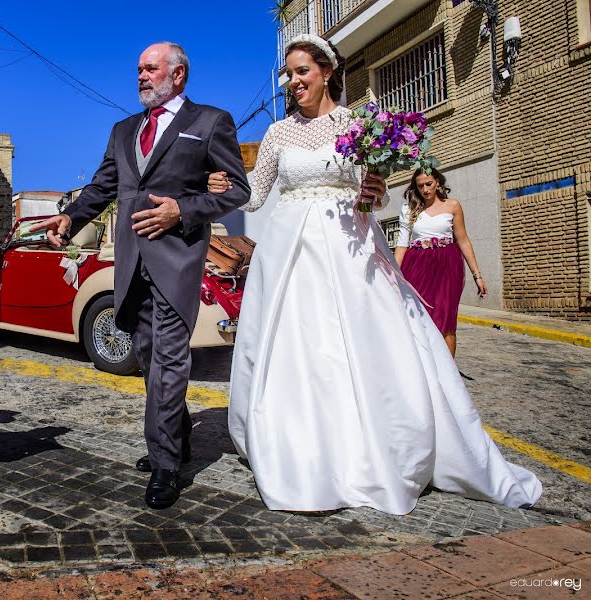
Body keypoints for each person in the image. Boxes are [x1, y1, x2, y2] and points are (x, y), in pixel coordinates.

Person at [207, 34, 541, 515]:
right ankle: (302, 445)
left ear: (326, 72)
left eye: (302, 71)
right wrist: (226, 186)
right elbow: (256, 198)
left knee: (364, 341)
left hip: (350, 244)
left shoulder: (358, 124)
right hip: (289, 255)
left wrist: (376, 189)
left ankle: (379, 444)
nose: (293, 82)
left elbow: (374, 197)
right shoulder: (279, 134)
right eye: (289, 74)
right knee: (300, 346)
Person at [31, 42, 250, 509]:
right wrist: (71, 217)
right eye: (138, 70)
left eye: (151, 68)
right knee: (149, 357)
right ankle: (177, 434)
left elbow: (236, 190)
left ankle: (168, 464)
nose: (141, 76)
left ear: (179, 75)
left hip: (177, 259)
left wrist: (183, 209)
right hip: (132, 262)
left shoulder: (210, 122)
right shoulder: (123, 129)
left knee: (170, 359)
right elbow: (103, 185)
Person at [394, 168, 487, 357]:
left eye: (429, 184)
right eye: (420, 186)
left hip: (448, 266)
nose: (425, 189)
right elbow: (402, 245)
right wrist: (393, 275)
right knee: (418, 318)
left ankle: (448, 375)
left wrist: (477, 275)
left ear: (437, 182)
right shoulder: (409, 208)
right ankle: (424, 368)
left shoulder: (453, 206)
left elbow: (463, 240)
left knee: (446, 319)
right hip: (417, 266)